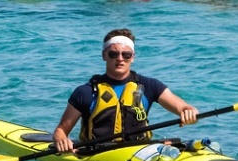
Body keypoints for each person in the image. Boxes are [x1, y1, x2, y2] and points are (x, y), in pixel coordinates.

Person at [53, 29, 199, 154]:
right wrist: (62, 140)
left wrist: (189, 112)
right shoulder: (85, 92)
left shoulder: (150, 86)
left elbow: (184, 108)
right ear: (104, 55)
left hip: (140, 151)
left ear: (132, 57)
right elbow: (61, 131)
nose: (120, 59)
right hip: (97, 153)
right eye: (113, 54)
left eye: (126, 55)